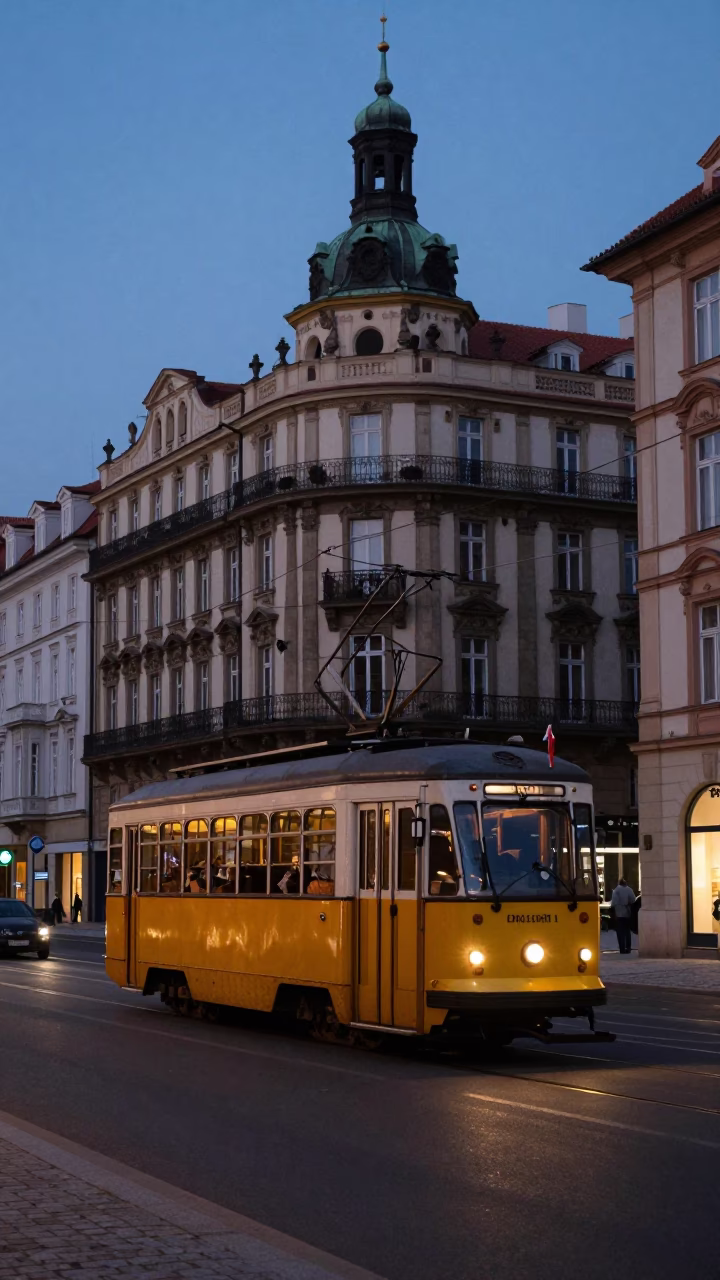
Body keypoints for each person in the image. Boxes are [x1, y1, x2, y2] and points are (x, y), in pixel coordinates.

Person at [611, 877, 636, 954]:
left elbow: (613, 903)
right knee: (627, 931)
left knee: (620, 932)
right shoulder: (629, 890)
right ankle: (628, 948)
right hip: (627, 913)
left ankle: (622, 948)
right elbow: (633, 900)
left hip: (619, 913)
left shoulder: (616, 890)